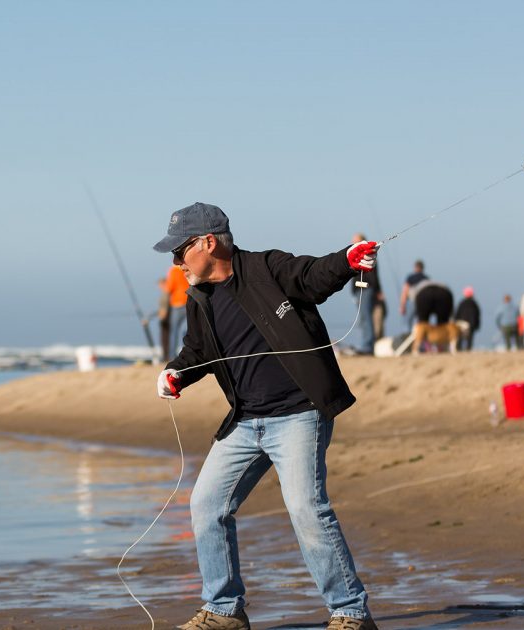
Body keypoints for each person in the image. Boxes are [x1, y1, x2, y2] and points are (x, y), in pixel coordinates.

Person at [153, 202, 378, 630]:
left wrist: (348, 260)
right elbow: (198, 351)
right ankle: (224, 612)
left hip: (299, 414)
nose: (176, 262)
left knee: (306, 508)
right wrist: (175, 373)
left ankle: (350, 613)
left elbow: (313, 276)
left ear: (208, 242)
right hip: (244, 421)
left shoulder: (267, 267)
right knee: (206, 505)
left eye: (180, 251)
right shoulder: (198, 297)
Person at [347, 233, 384, 355]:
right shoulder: (356, 254)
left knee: (366, 318)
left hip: (366, 290)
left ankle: (367, 347)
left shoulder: (368, 254)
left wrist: (377, 291)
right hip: (359, 291)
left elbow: (373, 275)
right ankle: (365, 345)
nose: (352, 243)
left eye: (355, 240)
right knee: (362, 318)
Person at [409, 279, 456, 354]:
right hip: (444, 293)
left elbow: (410, 295)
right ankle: (441, 348)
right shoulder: (443, 286)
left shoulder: (415, 288)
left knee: (423, 324)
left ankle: (426, 348)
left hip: (423, 294)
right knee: (443, 324)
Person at [165, 264, 190, 355]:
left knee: (174, 331)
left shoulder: (174, 271)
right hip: (189, 302)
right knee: (188, 330)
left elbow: (169, 288)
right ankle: (187, 354)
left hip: (177, 303)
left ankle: (172, 356)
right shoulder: (188, 269)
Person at [398, 260, 427, 335]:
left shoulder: (411, 278)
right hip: (423, 304)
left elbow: (405, 292)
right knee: (419, 324)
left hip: (412, 302)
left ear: (415, 267)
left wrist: (402, 306)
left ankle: (406, 340)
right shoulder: (426, 279)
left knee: (406, 322)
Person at [453, 286, 481, 351]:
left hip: (461, 323)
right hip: (471, 324)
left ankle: (458, 349)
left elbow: (457, 313)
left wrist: (455, 321)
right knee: (470, 339)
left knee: (460, 337)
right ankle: (468, 349)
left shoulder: (462, 303)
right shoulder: (474, 304)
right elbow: (477, 315)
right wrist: (477, 325)